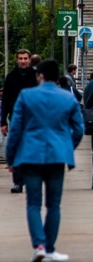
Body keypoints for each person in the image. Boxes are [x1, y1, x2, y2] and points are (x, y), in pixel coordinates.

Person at [5, 60, 84, 262]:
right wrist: (66, 148)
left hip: (30, 156)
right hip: (57, 157)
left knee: (33, 203)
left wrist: (11, 158)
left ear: (39, 75)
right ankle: (50, 249)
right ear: (58, 77)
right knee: (53, 205)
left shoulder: (26, 96)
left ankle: (38, 245)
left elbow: (15, 130)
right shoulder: (68, 97)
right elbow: (78, 129)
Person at [1, 49, 38, 193]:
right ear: (17, 60)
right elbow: (5, 101)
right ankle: (17, 182)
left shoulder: (35, 77)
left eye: (25, 58)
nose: (23, 61)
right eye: (20, 58)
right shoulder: (11, 77)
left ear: (29, 60)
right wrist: (3, 122)